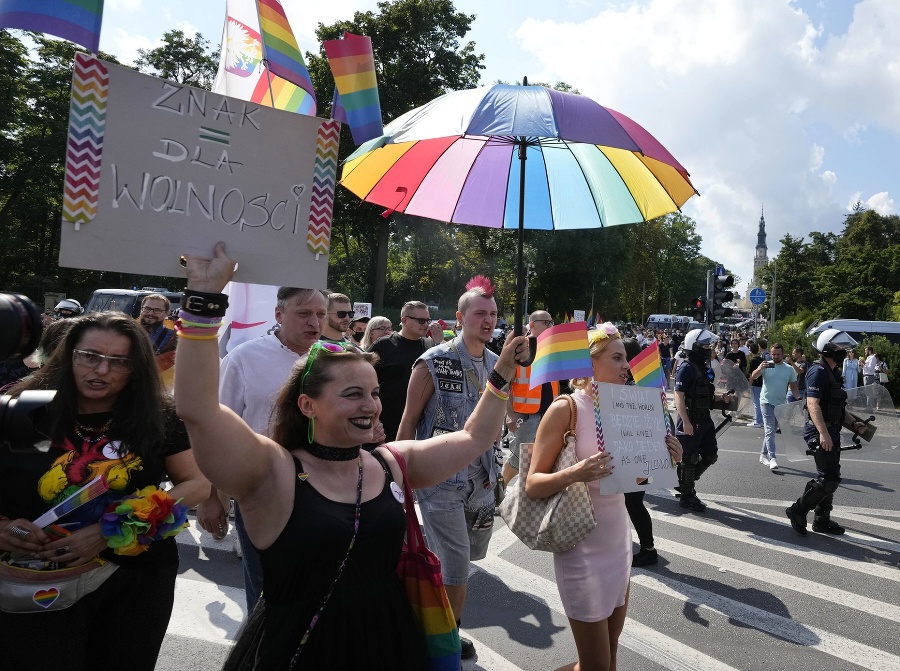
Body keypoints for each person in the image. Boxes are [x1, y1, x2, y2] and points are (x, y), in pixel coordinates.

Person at [174, 242, 528, 670]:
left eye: (375, 393)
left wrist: (502, 373)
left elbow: (474, 438)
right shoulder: (274, 471)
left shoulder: (389, 463)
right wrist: (203, 298)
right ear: (308, 405)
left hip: (387, 644)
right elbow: (198, 410)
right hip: (301, 650)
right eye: (352, 394)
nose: (371, 405)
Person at [0, 311, 209, 671]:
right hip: (35, 577)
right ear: (69, 355)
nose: (100, 370)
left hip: (132, 581)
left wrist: (108, 530)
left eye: (119, 362)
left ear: (137, 367)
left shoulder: (157, 415)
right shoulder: (31, 408)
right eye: (90, 356)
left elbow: (197, 484)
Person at [526, 324, 681, 671]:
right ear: (590, 363)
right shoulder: (567, 408)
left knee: (609, 652)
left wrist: (669, 457)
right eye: (618, 357)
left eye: (625, 357)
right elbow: (533, 484)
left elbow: (637, 477)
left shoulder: (627, 407)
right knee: (596, 665)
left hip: (618, 544)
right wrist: (576, 473)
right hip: (580, 546)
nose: (627, 365)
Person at [194, 286, 329, 612]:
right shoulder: (243, 359)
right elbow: (215, 432)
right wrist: (211, 497)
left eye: (321, 314)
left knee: (317, 588)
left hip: (326, 491)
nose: (314, 322)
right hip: (262, 492)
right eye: (304, 313)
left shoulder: (337, 360)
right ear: (279, 315)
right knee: (266, 591)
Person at [396, 276, 503, 661]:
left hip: (481, 480)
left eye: (492, 314)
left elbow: (495, 425)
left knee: (461, 559)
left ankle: (429, 623)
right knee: (457, 564)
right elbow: (407, 424)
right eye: (479, 313)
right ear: (460, 317)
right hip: (439, 480)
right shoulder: (433, 361)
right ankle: (447, 638)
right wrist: (400, 479)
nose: (487, 320)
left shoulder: (496, 364)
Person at [786, 329, 864, 536]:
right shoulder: (818, 371)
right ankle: (798, 510)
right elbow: (812, 404)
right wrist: (823, 434)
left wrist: (854, 424)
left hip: (832, 430)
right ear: (830, 350)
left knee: (831, 476)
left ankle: (822, 520)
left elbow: (838, 407)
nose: (845, 353)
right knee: (828, 478)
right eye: (842, 349)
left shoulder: (833, 373)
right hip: (819, 431)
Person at [621, 336, 683, 567]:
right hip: (636, 455)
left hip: (636, 455)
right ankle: (637, 546)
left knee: (633, 502)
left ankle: (648, 549)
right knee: (629, 501)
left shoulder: (633, 387)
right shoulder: (646, 385)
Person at [673, 328, 734, 512]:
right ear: (696, 347)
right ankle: (687, 494)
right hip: (691, 419)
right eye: (705, 346)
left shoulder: (701, 368)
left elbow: (703, 395)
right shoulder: (686, 368)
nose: (709, 349)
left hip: (705, 419)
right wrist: (685, 421)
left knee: (710, 455)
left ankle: (685, 481)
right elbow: (678, 396)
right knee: (689, 458)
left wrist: (719, 399)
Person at [502, 310, 559, 483]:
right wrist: (510, 414)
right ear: (532, 325)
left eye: (552, 322)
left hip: (549, 414)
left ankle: (528, 496)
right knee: (518, 460)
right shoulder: (519, 348)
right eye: (546, 322)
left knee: (542, 460)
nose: (551, 326)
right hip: (526, 416)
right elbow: (506, 384)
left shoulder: (553, 349)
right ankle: (500, 491)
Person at [368, 302, 431, 442]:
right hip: (384, 430)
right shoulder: (383, 345)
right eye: (421, 320)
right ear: (404, 320)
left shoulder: (430, 346)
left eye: (428, 320)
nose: (426, 324)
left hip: (420, 430)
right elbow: (362, 382)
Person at [750, 343, 799, 471]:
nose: (776, 356)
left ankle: (763, 455)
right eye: (774, 354)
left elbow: (793, 385)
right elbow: (753, 377)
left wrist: (799, 398)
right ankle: (772, 458)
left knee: (770, 431)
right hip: (766, 401)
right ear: (770, 354)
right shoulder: (766, 365)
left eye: (778, 354)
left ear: (783, 354)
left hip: (780, 404)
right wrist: (759, 368)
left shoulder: (789, 369)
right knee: (770, 430)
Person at [746, 342, 764, 427]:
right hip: (762, 383)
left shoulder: (753, 361)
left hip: (755, 384)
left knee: (756, 403)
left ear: (751, 351)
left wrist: (749, 385)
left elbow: (751, 375)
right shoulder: (761, 360)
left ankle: (758, 421)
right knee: (760, 402)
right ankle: (761, 420)